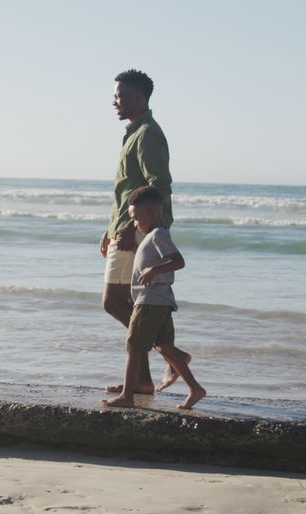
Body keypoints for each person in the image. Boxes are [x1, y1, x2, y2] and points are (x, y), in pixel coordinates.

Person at [101, 68, 192, 397]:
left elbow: (158, 186)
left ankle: (172, 355)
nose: (115, 101)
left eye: (121, 95)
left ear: (141, 97)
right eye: (115, 95)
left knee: (115, 303)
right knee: (126, 304)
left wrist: (128, 227)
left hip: (137, 231)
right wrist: (110, 228)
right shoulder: (133, 132)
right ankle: (142, 379)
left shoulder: (148, 134)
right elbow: (127, 191)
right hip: (125, 228)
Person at [102, 186, 206, 410]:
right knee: (165, 346)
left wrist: (154, 270)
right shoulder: (151, 236)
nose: (134, 224)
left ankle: (127, 396)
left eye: (135, 218)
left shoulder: (158, 235)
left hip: (150, 300)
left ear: (148, 213)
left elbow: (179, 261)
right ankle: (195, 389)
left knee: (134, 346)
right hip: (158, 300)